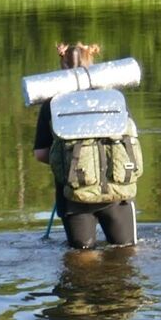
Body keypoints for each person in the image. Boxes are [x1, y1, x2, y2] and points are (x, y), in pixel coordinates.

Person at [32, 41, 138, 250]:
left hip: (74, 196)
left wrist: (68, 160)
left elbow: (40, 153)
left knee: (82, 259)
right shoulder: (114, 98)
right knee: (126, 254)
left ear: (62, 69)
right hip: (117, 193)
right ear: (94, 65)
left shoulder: (52, 103)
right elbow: (130, 142)